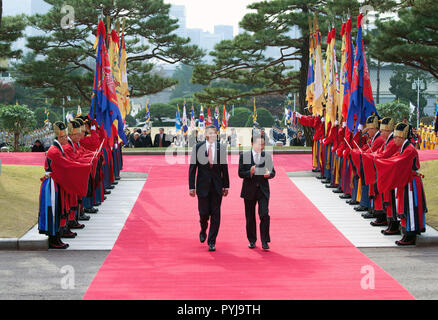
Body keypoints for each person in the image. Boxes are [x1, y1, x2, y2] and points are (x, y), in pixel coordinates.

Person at [189, 125, 230, 252]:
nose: (213, 135)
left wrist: (226, 185)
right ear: (206, 134)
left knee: (216, 215)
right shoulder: (197, 147)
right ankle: (203, 228)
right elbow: (192, 169)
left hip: (217, 187)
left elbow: (224, 168)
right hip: (202, 187)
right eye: (210, 133)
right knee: (204, 213)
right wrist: (191, 187)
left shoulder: (221, 148)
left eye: (215, 133)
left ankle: (212, 241)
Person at [238, 134, 275, 250]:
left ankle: (265, 241)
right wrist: (250, 172)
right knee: (250, 217)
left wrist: (269, 174)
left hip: (263, 191)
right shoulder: (244, 156)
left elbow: (273, 172)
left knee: (264, 215)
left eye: (263, 144)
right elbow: (240, 173)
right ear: (252, 144)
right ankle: (252, 240)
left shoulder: (267, 156)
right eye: (260, 144)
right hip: (249, 190)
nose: (262, 147)